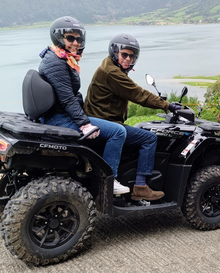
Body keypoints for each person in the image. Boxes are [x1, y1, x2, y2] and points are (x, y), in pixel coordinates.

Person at [38, 16, 130, 194]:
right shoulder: (57, 63)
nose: (76, 42)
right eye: (70, 38)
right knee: (118, 132)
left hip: (57, 114)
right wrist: (84, 123)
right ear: (58, 38)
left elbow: (69, 95)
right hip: (59, 118)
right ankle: (109, 181)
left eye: (78, 39)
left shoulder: (58, 58)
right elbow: (67, 99)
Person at [84, 33, 181, 201]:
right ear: (115, 52)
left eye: (132, 56)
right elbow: (138, 94)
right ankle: (140, 187)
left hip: (100, 119)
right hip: (106, 123)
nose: (128, 59)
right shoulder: (112, 72)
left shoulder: (109, 67)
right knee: (149, 139)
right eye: (125, 54)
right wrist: (168, 105)